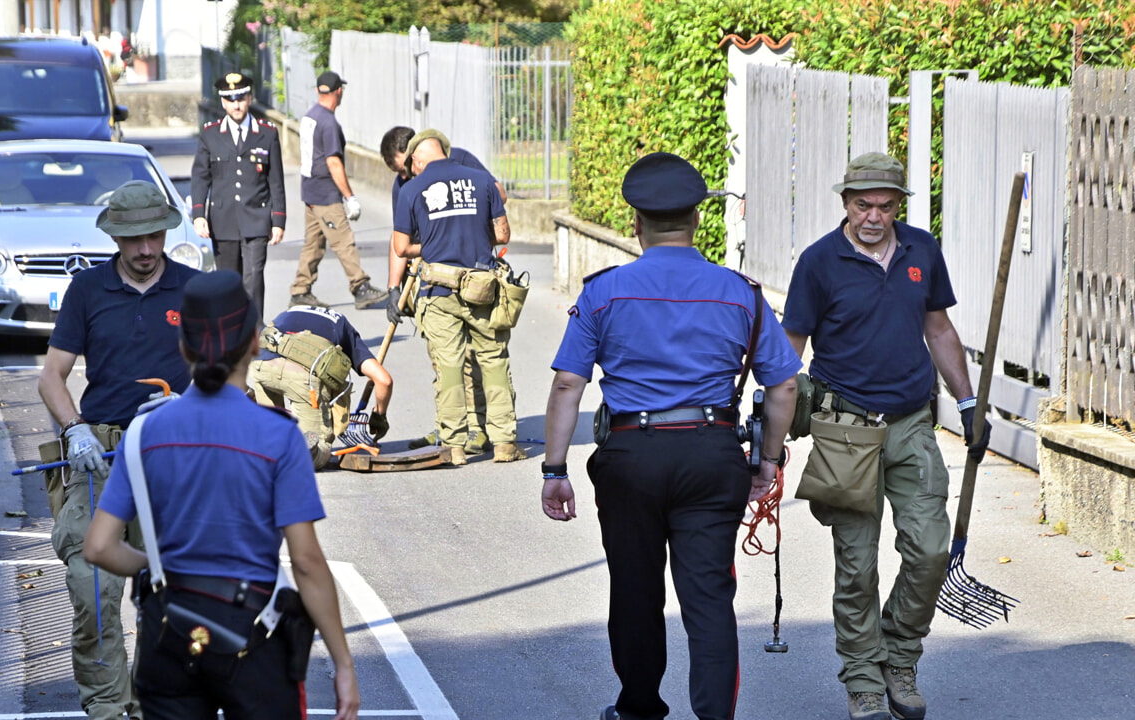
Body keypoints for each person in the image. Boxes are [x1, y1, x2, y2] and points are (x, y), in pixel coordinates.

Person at [540, 152, 800, 720]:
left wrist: (555, 470)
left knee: (635, 591)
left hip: (631, 456)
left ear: (636, 222)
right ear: (697, 221)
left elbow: (567, 385)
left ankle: (637, 710)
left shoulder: (603, 292)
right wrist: (768, 461)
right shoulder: (741, 293)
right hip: (711, 454)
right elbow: (782, 388)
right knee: (709, 597)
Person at [82, 271, 360, 720]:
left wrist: (156, 565)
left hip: (168, 638)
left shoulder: (144, 433)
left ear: (184, 347)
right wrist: (343, 663)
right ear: (254, 341)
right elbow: (306, 563)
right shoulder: (279, 436)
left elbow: (98, 546)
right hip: (252, 639)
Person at [782, 152, 990, 720]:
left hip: (911, 423)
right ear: (845, 202)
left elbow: (939, 327)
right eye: (862, 204)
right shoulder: (819, 262)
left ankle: (899, 657)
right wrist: (771, 427)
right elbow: (790, 347)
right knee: (857, 565)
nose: (873, 216)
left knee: (929, 548)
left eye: (885, 205)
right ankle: (862, 677)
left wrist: (968, 402)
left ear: (899, 204)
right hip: (843, 431)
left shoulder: (922, 249)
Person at [37, 180, 201, 720]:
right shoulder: (86, 290)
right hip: (99, 456)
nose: (147, 250)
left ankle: (158, 700)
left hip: (170, 452)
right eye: (134, 240)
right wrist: (74, 429)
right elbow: (53, 377)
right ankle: (109, 707)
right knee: (92, 583)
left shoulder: (194, 291)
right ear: (116, 239)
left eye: (154, 236)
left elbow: (223, 376)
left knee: (174, 587)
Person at [390, 129, 525, 465]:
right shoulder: (481, 180)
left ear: (418, 159)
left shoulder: (411, 190)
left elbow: (401, 247)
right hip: (482, 286)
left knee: (449, 365)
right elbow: (503, 233)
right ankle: (505, 443)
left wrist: (434, 244)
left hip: (438, 289)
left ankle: (453, 447)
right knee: (493, 361)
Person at [290, 71, 388, 310]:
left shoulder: (309, 116)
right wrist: (350, 197)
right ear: (338, 91)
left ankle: (300, 290)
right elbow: (333, 162)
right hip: (325, 193)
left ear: (318, 90)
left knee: (314, 244)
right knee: (344, 240)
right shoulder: (329, 123)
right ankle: (360, 286)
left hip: (310, 190)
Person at [251, 304, 393, 469]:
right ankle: (306, 451)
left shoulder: (290, 311)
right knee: (319, 449)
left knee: (271, 433)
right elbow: (384, 380)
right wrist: (379, 416)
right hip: (301, 376)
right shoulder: (342, 325)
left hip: (262, 366)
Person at [191, 72, 286, 316]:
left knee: (253, 276)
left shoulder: (267, 133)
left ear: (250, 98)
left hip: (256, 217)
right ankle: (230, 331)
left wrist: (278, 220)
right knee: (228, 280)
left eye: (241, 98)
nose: (237, 105)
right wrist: (199, 214)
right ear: (223, 102)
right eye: (231, 99)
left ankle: (254, 333)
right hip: (223, 221)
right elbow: (201, 176)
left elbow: (275, 180)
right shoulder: (210, 134)